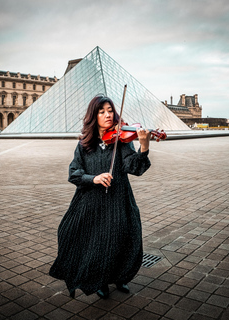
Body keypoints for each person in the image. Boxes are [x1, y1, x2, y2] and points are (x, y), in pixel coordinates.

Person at [49, 95, 151, 299]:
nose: (107, 115)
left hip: (119, 199)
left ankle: (120, 276)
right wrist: (93, 178)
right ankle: (100, 280)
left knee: (123, 238)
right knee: (97, 241)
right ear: (93, 116)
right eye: (102, 111)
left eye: (110, 110)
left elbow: (134, 167)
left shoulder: (122, 141)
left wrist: (144, 146)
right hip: (92, 201)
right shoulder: (84, 144)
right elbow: (74, 173)